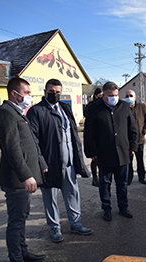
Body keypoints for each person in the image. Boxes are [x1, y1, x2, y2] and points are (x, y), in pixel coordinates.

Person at [27, 79, 93, 243]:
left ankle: (75, 223)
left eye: (58, 92)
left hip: (68, 162)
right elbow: (33, 140)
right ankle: (55, 227)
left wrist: (77, 158)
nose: (55, 94)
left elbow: (72, 134)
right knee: (50, 197)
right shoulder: (36, 111)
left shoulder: (65, 108)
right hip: (49, 164)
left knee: (72, 193)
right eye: (52, 91)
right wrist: (41, 162)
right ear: (45, 92)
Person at [0, 77, 45, 262]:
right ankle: (16, 261)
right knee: (16, 221)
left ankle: (23, 252)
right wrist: (26, 175)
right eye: (27, 93)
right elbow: (12, 148)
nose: (30, 97)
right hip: (16, 180)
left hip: (21, 179)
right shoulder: (5, 113)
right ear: (15, 94)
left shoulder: (17, 112)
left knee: (21, 217)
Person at [84, 81, 138, 221]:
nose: (113, 97)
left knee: (122, 184)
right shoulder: (94, 108)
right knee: (105, 184)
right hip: (103, 153)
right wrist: (91, 152)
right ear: (103, 95)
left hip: (123, 153)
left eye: (115, 95)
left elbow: (132, 128)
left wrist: (133, 147)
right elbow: (89, 133)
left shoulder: (124, 106)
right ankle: (106, 208)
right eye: (110, 95)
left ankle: (123, 207)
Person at [124, 89, 146, 185]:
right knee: (129, 161)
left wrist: (144, 131)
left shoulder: (142, 107)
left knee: (140, 160)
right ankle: (129, 178)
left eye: (131, 95)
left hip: (140, 139)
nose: (129, 98)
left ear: (135, 97)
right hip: (128, 140)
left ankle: (141, 177)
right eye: (127, 96)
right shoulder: (123, 108)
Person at [84, 88, 103, 186]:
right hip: (94, 136)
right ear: (95, 95)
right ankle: (95, 177)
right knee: (95, 158)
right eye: (99, 95)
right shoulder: (90, 106)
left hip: (102, 136)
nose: (101, 97)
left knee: (102, 158)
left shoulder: (103, 105)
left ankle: (102, 175)